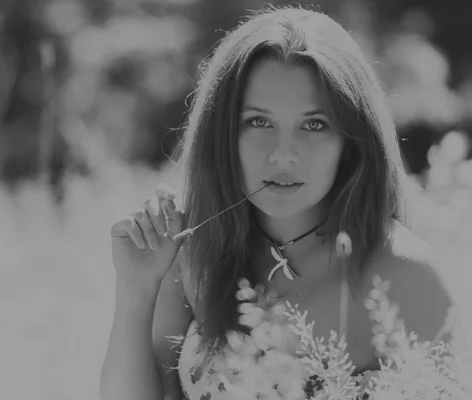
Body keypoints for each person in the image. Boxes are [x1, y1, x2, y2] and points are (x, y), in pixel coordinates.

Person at [100, 6, 453, 400]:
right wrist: (136, 289)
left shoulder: (404, 277)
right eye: (259, 122)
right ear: (223, 134)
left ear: (351, 142)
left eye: (314, 124)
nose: (284, 154)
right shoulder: (194, 254)